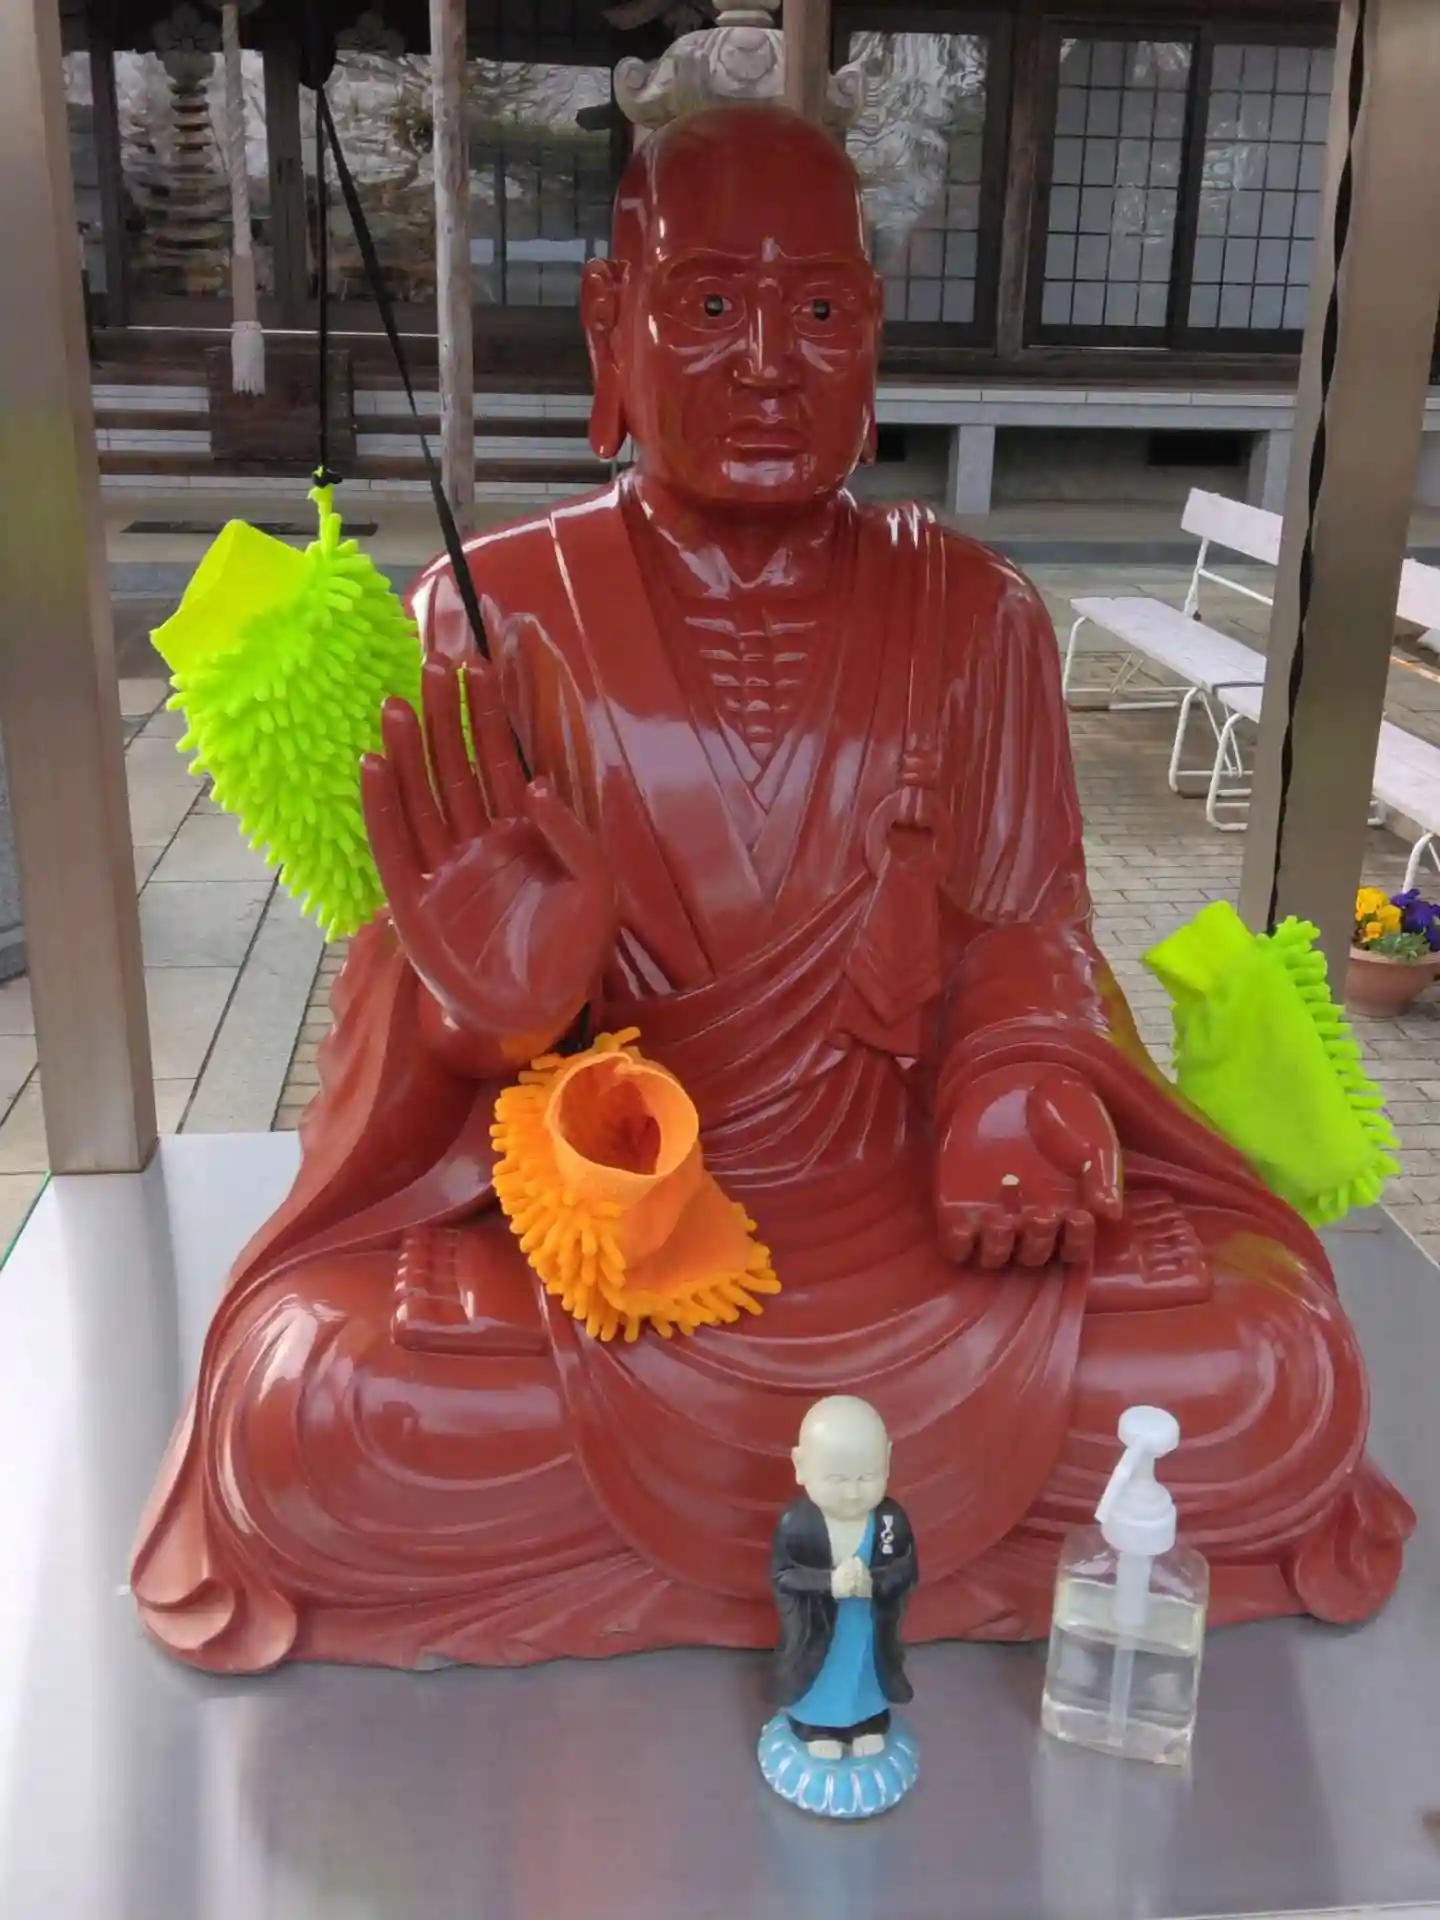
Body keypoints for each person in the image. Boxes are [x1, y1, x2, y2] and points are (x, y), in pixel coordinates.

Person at [132, 104, 1411, 1675]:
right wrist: (478, 1017)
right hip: (614, 1239)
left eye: (816, 309)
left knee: (1273, 1354)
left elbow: (1030, 937)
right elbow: (414, 1027)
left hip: (914, 1213)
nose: (766, 365)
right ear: (611, 323)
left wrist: (1012, 1095)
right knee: (307, 1400)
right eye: (711, 305)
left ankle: (758, 1547)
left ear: (871, 339)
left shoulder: (980, 613)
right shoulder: (488, 610)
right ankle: (860, 1549)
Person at [771, 1397, 916, 1759]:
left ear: (887, 1460)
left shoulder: (889, 1521)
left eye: (866, 1477)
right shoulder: (799, 1525)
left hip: (867, 1625)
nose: (853, 1493)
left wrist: (875, 1584)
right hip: (820, 1628)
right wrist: (829, 1584)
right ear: (800, 1466)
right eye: (837, 1479)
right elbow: (784, 1576)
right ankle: (816, 1725)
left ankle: (866, 1720)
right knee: (823, 1672)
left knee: (867, 1670)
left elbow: (906, 1569)